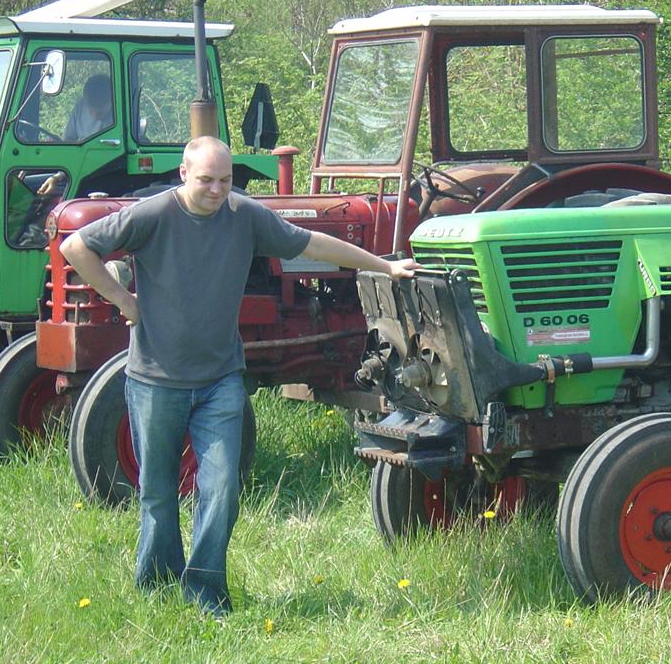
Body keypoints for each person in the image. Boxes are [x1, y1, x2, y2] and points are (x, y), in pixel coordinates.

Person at [60, 135, 421, 616]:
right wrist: (124, 301)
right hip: (155, 378)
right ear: (184, 174)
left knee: (222, 487)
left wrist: (383, 264)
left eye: (225, 180)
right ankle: (157, 584)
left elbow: (311, 242)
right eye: (207, 179)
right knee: (158, 491)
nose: (216, 190)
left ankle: (206, 591)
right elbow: (76, 245)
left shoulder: (243, 215)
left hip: (220, 379)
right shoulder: (153, 215)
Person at [63, 72, 113, 141]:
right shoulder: (79, 108)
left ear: (111, 101)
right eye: (91, 111)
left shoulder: (122, 111)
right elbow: (69, 139)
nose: (96, 116)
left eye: (100, 113)